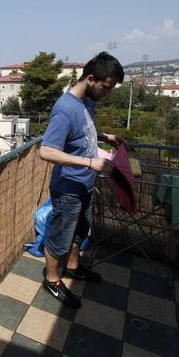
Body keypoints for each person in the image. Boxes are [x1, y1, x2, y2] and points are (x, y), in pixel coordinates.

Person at [39, 52, 125, 308]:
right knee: (60, 237)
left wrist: (104, 136)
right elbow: (46, 151)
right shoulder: (65, 109)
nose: (107, 93)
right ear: (90, 78)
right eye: (106, 87)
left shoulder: (86, 102)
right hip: (68, 189)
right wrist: (90, 162)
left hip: (84, 183)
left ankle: (73, 267)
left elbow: (82, 131)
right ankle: (53, 280)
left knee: (79, 231)